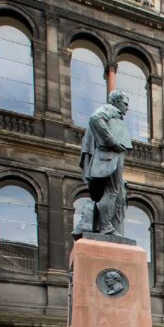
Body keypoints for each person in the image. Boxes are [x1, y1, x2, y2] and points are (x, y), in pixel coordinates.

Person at [72, 90, 133, 238]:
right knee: (112, 191)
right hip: (109, 158)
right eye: (125, 103)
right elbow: (95, 118)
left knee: (111, 192)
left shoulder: (114, 115)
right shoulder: (110, 110)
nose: (127, 107)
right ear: (116, 102)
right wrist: (112, 141)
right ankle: (105, 226)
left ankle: (98, 224)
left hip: (110, 158)